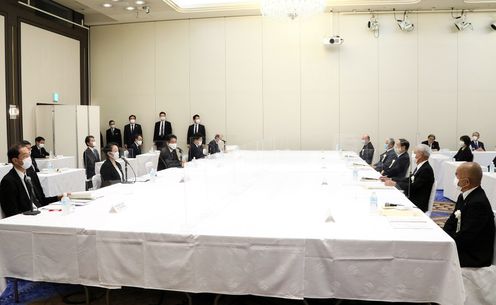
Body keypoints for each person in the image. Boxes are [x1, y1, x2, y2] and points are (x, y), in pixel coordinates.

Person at [443, 162, 495, 267]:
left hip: (474, 255)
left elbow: (466, 236)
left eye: (456, 175)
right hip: (463, 244)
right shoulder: (463, 196)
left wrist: (447, 243)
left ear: (466, 182)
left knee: (436, 258)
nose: (455, 178)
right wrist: (444, 236)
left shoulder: (478, 203)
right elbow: (451, 222)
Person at [0, 144, 63, 217]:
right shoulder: (8, 181)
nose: (29, 158)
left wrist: (59, 197)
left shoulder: (31, 174)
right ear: (15, 160)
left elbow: (41, 199)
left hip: (41, 212)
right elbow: (11, 212)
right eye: (25, 156)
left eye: (29, 155)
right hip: (26, 218)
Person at [384, 144, 435, 212]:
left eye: (415, 153)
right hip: (412, 196)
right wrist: (391, 179)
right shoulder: (421, 167)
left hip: (417, 202)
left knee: (390, 201)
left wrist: (395, 184)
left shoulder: (426, 169)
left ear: (421, 154)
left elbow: (413, 186)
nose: (413, 155)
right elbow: (409, 180)